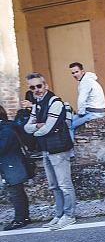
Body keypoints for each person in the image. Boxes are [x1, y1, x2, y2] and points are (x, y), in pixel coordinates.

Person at [23, 73, 77, 230]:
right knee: (54, 186)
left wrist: (37, 127)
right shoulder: (36, 105)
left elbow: (47, 129)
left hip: (59, 150)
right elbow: (27, 128)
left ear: (45, 85)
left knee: (64, 184)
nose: (37, 90)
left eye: (39, 86)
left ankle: (69, 216)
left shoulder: (55, 103)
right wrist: (38, 126)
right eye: (32, 87)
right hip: (46, 150)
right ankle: (59, 215)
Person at [0, 105, 31, 231]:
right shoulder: (5, 127)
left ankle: (20, 220)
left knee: (16, 193)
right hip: (10, 165)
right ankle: (24, 217)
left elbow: (2, 148)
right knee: (17, 192)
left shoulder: (5, 129)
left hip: (13, 165)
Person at [69, 62, 105, 141]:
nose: (75, 75)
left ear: (82, 71)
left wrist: (81, 112)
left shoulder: (85, 82)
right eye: (73, 73)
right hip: (94, 110)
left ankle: (71, 151)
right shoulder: (86, 80)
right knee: (69, 120)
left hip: (95, 113)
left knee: (70, 126)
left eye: (77, 72)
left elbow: (81, 100)